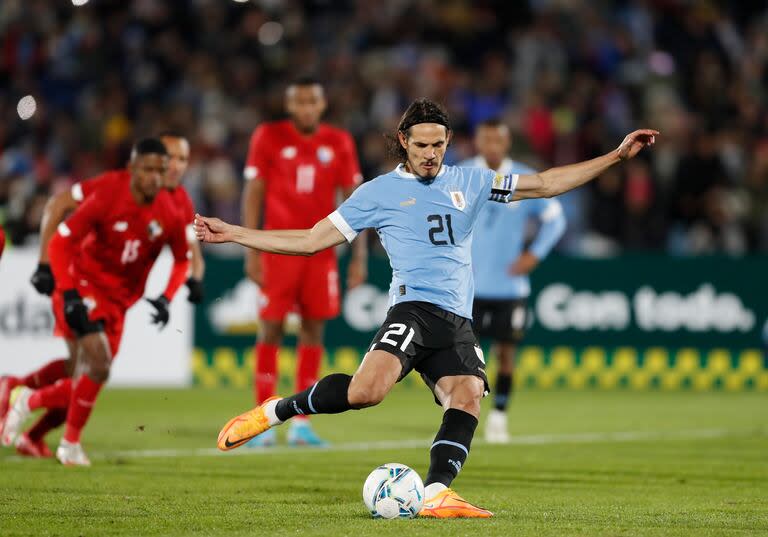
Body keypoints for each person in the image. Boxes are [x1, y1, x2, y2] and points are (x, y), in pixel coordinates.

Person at [195, 98, 657, 517]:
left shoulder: (474, 181)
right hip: (412, 309)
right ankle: (276, 411)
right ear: (403, 142)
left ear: (449, 142)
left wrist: (616, 156)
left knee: (468, 395)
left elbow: (545, 184)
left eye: (438, 144)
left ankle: (436, 492)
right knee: (366, 393)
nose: (431, 153)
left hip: (457, 320)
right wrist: (236, 233)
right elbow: (311, 240)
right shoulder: (378, 193)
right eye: (421, 145)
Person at [0, 133, 203, 458]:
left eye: (176, 162)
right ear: (133, 168)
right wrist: (56, 280)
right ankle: (62, 438)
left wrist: (169, 295)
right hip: (83, 284)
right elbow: (61, 215)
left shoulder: (176, 205)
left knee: (86, 373)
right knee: (95, 364)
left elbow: (185, 255)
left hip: (120, 301)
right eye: (161, 164)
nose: (167, 171)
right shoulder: (109, 189)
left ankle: (27, 412)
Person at [241, 76, 366, 447]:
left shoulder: (339, 141)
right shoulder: (268, 136)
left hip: (321, 252)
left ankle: (301, 423)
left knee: (313, 331)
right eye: (300, 102)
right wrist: (252, 250)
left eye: (313, 101)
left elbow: (355, 200)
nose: (307, 108)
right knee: (271, 329)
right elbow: (254, 192)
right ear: (289, 104)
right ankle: (261, 420)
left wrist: (358, 255)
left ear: (322, 105)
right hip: (279, 248)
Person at [459, 119, 566, 443]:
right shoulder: (461, 175)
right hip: (468, 287)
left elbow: (555, 219)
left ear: (506, 144)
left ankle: (500, 415)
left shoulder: (521, 178)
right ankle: (464, 412)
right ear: (478, 141)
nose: (491, 146)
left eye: (497, 140)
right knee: (464, 356)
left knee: (506, 354)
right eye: (486, 139)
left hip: (509, 287)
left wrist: (534, 255)